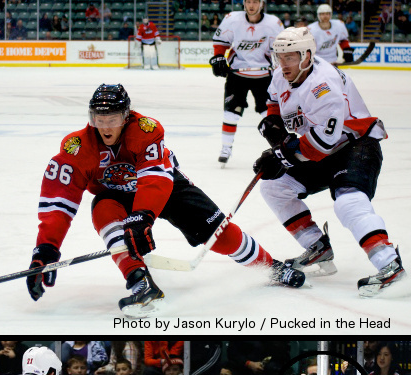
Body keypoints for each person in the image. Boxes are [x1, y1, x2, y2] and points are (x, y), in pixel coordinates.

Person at [26, 84, 305, 318]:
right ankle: (140, 282)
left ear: (126, 116)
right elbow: (58, 201)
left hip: (167, 187)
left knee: (219, 235)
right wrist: (45, 250)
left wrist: (142, 217)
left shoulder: (146, 130)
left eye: (112, 119)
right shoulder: (76, 147)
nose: (105, 126)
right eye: (99, 119)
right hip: (115, 194)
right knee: (103, 209)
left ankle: (271, 268)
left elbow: (156, 179)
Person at [253, 27, 405, 296]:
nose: (283, 64)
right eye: (279, 57)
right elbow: (275, 106)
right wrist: (275, 132)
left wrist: (281, 154)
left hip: (355, 145)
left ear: (307, 56)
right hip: (320, 148)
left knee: (347, 201)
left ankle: (389, 262)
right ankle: (318, 247)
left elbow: (322, 143)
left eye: (290, 57)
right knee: (273, 187)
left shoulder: (324, 86)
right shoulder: (281, 75)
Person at [211, 0, 284, 165]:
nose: (251, 5)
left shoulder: (273, 23)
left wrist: (281, 70)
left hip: (264, 76)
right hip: (237, 74)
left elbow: (280, 48)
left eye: (255, 2)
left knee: (270, 115)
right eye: (248, 1)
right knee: (230, 113)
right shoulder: (232, 19)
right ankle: (226, 148)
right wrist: (218, 57)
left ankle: (281, 148)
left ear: (261, 4)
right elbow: (221, 41)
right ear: (244, 3)